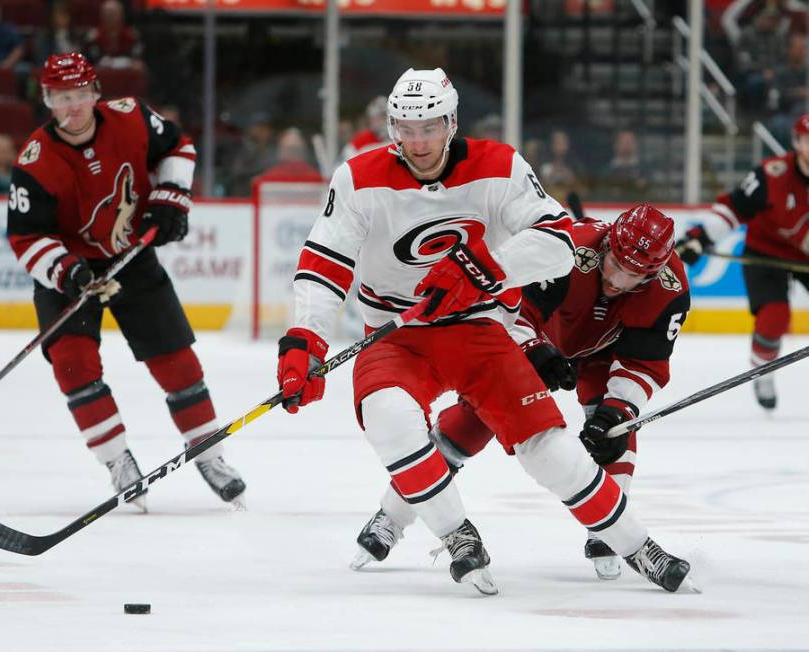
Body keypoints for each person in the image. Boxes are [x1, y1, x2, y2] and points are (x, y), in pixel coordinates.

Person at [274, 67, 692, 595]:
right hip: (394, 334)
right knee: (390, 418)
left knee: (549, 445)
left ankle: (639, 547)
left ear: (452, 123)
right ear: (391, 128)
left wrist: (482, 267)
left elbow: (558, 240)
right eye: (406, 127)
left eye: (429, 126)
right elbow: (324, 262)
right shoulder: (357, 178)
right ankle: (457, 536)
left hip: (478, 328)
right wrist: (302, 342)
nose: (418, 140)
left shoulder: (500, 166)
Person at [353, 204, 689, 582]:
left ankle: (609, 533)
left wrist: (619, 410)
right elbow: (510, 310)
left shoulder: (668, 290)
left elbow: (642, 364)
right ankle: (393, 515)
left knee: (613, 433)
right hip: (537, 340)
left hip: (604, 355)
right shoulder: (570, 249)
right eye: (615, 265)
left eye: (634, 277)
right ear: (607, 244)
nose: (618, 281)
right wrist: (533, 349)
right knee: (472, 423)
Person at [5, 52, 246, 511]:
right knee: (74, 368)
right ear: (47, 101)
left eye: (79, 96)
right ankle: (117, 461)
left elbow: (178, 147)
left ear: (96, 93)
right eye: (61, 98)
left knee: (179, 364)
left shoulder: (131, 117)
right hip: (69, 272)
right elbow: (26, 235)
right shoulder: (34, 162)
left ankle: (210, 455)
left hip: (130, 258)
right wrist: (67, 271)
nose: (72, 107)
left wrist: (170, 200)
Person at [676, 112, 809, 411]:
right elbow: (734, 208)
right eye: (807, 140)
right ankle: (764, 371)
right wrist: (699, 237)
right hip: (766, 251)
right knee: (773, 317)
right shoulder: (772, 175)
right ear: (796, 143)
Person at [340, 95, 390, 161]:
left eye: (384, 116)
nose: (381, 121)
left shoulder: (399, 137)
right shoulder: (361, 139)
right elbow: (347, 161)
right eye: (373, 117)